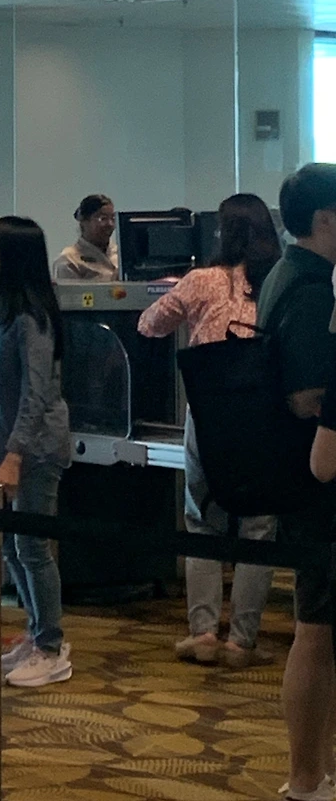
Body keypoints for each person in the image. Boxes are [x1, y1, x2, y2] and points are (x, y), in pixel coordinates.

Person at [138, 194, 282, 667]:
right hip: (264, 416)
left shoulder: (201, 280)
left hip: (208, 414)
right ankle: (242, 641)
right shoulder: (276, 281)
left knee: (202, 519)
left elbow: (149, 325)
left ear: (223, 233)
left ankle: (202, 633)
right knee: (258, 528)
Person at [253, 164, 336, 801]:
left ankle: (312, 774)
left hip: (299, 479)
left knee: (317, 629)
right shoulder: (310, 289)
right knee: (315, 630)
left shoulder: (284, 274)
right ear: (325, 219)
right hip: (319, 485)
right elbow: (308, 396)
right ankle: (308, 776)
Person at [0, 216, 72, 689]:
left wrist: (15, 454)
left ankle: (51, 646)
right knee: (9, 547)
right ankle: (36, 630)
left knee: (32, 547)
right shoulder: (0, 307)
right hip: (4, 443)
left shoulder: (32, 319)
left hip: (37, 448)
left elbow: (36, 394)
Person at [50, 194, 119, 283]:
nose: (110, 224)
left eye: (113, 218)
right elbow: (70, 292)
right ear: (84, 222)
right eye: (103, 218)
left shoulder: (121, 254)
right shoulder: (68, 260)